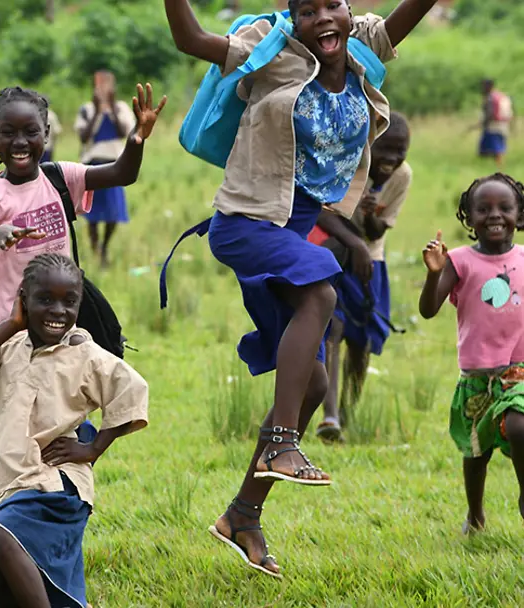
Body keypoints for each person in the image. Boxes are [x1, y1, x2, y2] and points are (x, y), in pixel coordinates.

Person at [164, 0, 439, 577]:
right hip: (245, 223)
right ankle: (284, 441)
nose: (324, 19)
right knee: (323, 292)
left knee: (312, 379)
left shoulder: (366, 47)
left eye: (332, 5)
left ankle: (242, 515)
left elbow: (407, 14)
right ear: (294, 18)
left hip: (291, 227)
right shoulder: (272, 52)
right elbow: (190, 38)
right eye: (308, 10)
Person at [0, 83, 165, 558]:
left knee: (51, 440)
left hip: (57, 339)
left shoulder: (61, 178)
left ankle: (15, 532)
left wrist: (137, 138)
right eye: (9, 133)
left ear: (47, 134)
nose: (20, 143)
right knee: (8, 448)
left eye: (31, 132)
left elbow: (122, 174)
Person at [0, 253, 149, 608]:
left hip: (52, 490)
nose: (58, 310)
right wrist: (10, 326)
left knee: (0, 535)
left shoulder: (86, 355)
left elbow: (132, 391)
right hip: (9, 489)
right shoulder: (11, 348)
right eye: (45, 300)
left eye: (69, 301)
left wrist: (92, 450)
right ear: (23, 301)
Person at [418, 173, 524, 534]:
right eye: (484, 209)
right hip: (477, 374)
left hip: (518, 371)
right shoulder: (460, 261)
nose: (495, 215)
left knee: (517, 422)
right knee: (476, 451)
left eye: (504, 208)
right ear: (469, 217)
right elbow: (429, 310)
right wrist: (434, 275)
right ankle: (475, 514)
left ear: (519, 216)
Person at [314, 112, 413, 441]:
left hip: (371, 262)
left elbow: (377, 232)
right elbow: (322, 214)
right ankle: (328, 417)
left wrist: (370, 217)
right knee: (332, 328)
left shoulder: (402, 176)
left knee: (363, 341)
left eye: (401, 152)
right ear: (370, 145)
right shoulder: (349, 162)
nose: (392, 159)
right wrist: (353, 242)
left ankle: (345, 412)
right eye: (385, 150)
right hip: (334, 253)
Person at [74, 70, 137, 268]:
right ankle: (96, 250)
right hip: (91, 165)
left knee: (113, 211)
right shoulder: (86, 110)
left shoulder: (121, 108)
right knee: (91, 212)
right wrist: (97, 110)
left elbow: (123, 132)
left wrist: (110, 108)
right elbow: (84, 137)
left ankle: (104, 245)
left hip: (114, 165)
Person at [478, 79, 512, 168]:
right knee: (493, 147)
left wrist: (483, 123)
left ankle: (499, 167)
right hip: (503, 125)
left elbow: (491, 113)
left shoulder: (490, 98)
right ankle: (493, 167)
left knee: (496, 148)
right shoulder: (502, 96)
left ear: (488, 86)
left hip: (493, 126)